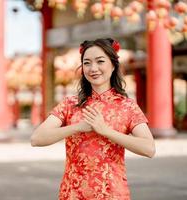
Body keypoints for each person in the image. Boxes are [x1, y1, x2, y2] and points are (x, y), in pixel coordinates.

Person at [31, 38, 155, 200]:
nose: (93, 68)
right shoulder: (70, 104)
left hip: (112, 194)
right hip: (73, 193)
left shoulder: (127, 106)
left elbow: (149, 148)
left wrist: (106, 131)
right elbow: (36, 139)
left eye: (100, 61)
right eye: (87, 63)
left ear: (113, 65)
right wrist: (77, 127)